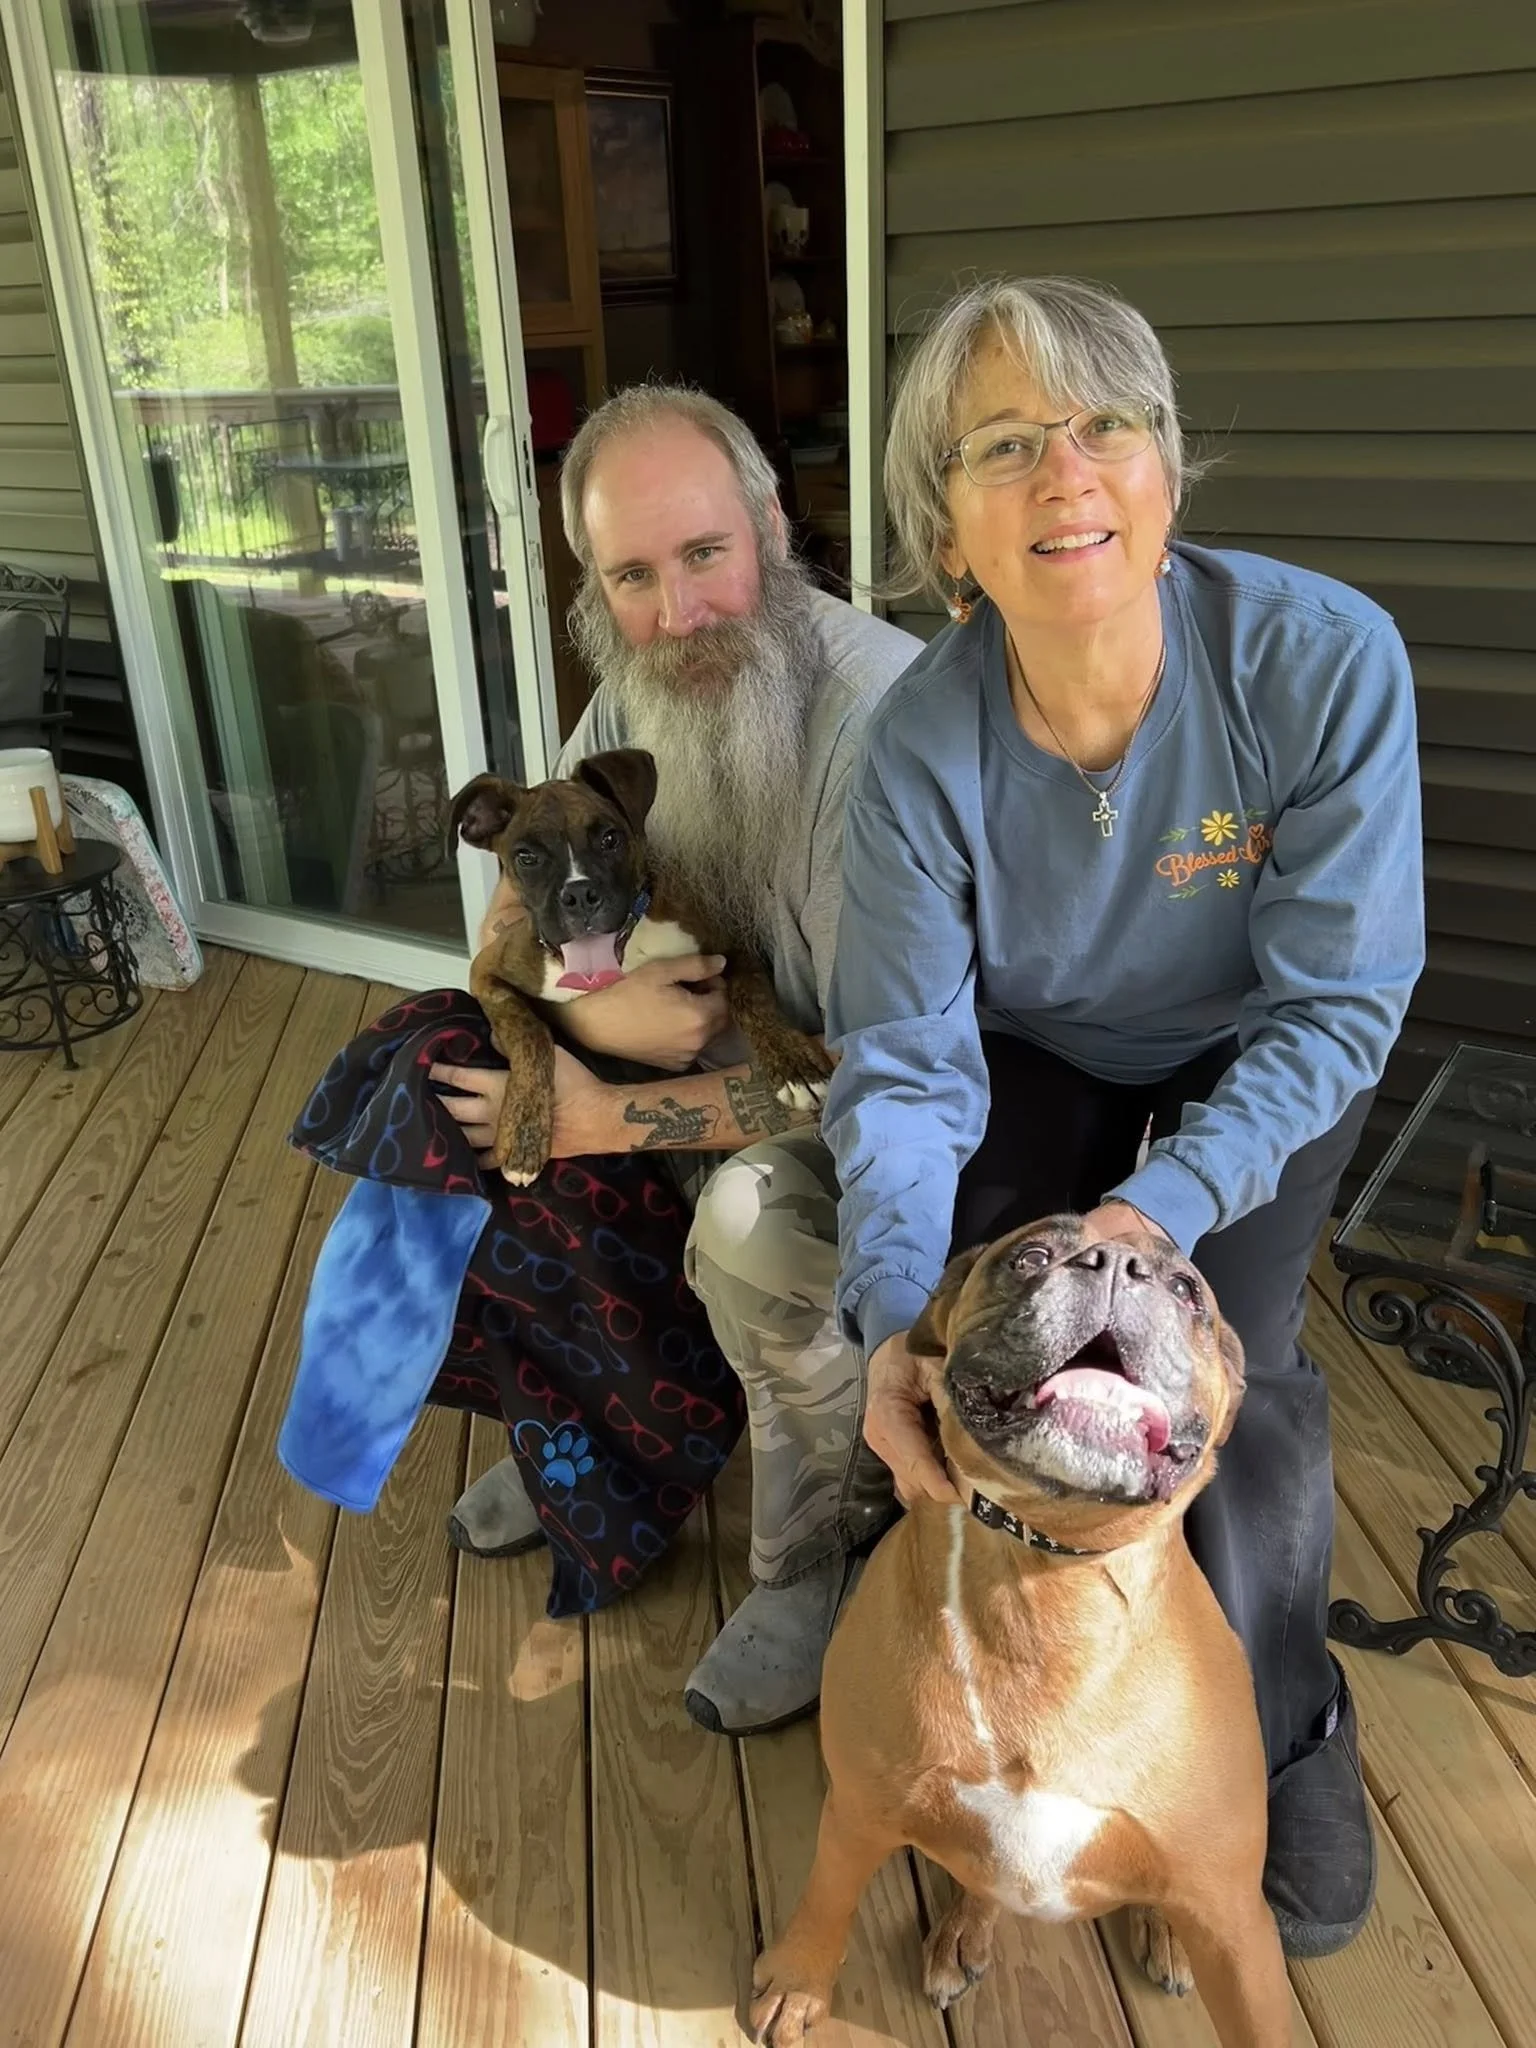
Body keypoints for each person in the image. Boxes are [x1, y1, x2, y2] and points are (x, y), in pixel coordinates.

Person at [820, 276, 1424, 1961]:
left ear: (1167, 473)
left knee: (1245, 1382)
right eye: (1006, 444)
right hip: (1034, 1053)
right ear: (945, 535)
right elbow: (904, 1060)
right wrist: (890, 1317)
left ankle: (1279, 1725)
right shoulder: (917, 750)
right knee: (970, 1348)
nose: (1066, 471)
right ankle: (944, 1691)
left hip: (1261, 1060)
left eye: (1107, 426)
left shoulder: (1316, 664)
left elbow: (1338, 1003)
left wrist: (1162, 1213)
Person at [430, 384, 920, 1726]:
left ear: (770, 524)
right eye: (632, 575)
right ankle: (595, 1425)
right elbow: (515, 927)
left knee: (758, 1224)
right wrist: (588, 1030)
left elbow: (874, 1083)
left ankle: (814, 1553)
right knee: (439, 1092)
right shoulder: (634, 691)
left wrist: (600, 1112)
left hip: (864, 1104)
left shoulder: (884, 729)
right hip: (699, 1054)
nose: (679, 611)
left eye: (704, 553)